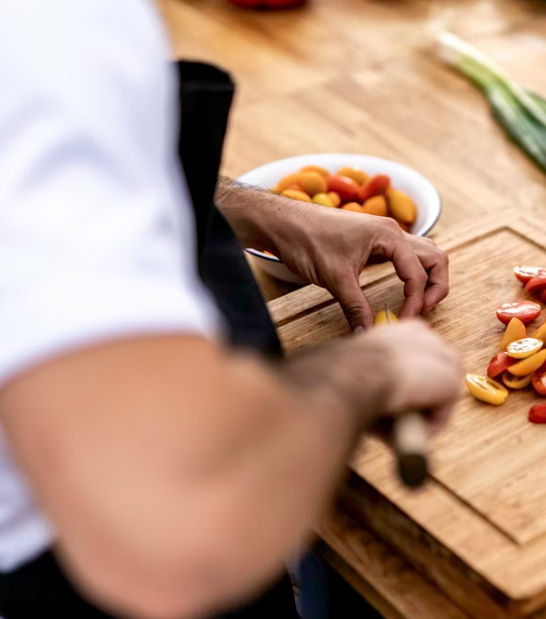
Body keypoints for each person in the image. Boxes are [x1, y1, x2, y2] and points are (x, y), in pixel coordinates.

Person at [0, 2, 461, 618]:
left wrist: (266, 210)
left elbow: (64, 160)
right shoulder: (51, 30)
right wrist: (368, 372)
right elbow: (174, 526)